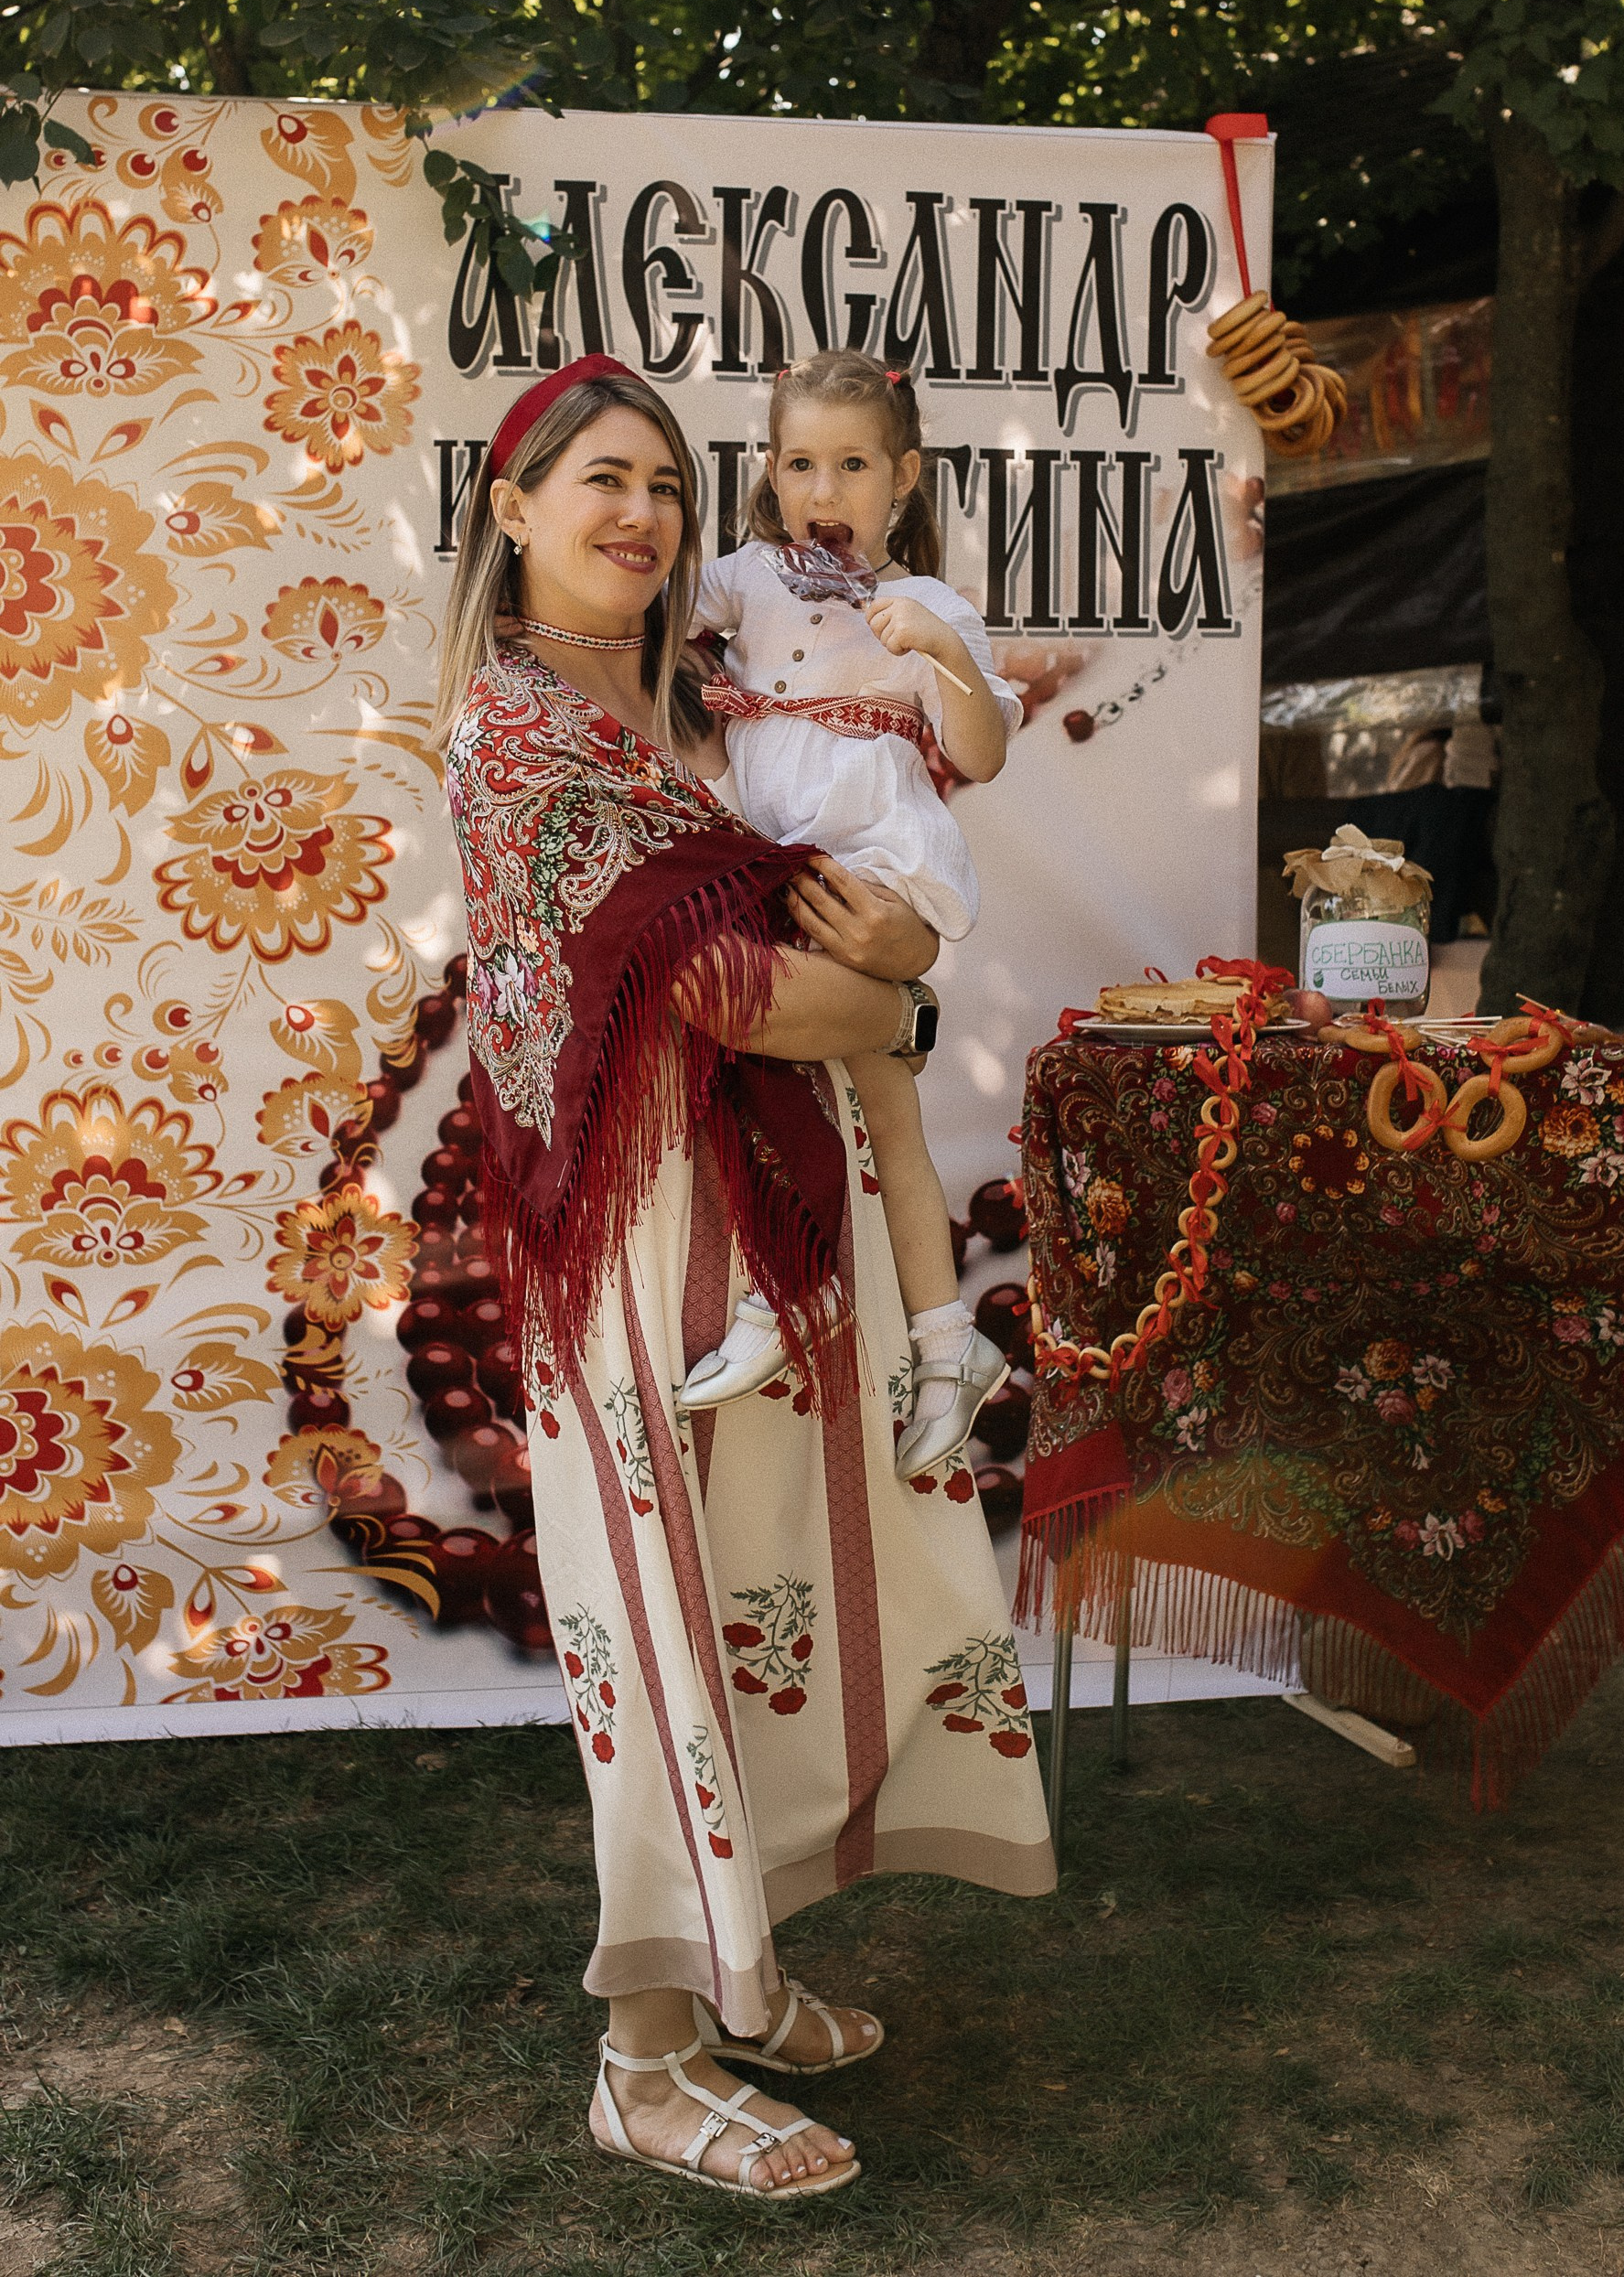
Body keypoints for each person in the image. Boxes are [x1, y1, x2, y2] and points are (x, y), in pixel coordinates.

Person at [436, 352, 1054, 2203]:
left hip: (782, 1209)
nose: (639, 514)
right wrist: (906, 997)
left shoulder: (707, 689)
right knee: (663, 1623)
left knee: (783, 1590)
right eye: (597, 481)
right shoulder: (523, 736)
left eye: (664, 487)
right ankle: (642, 2058)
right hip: (636, 1239)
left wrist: (879, 989)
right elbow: (749, 991)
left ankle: (748, 1972)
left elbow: (849, 902)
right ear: (513, 508)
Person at [679, 350, 1015, 1479]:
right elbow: (658, 608)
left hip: (870, 862)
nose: (825, 492)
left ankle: (794, 1294)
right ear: (770, 474)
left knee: (826, 1073)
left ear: (902, 478)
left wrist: (948, 660)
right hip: (779, 861)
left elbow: (979, 752)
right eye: (800, 463)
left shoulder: (922, 607)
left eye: (853, 464)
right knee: (831, 1083)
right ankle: (944, 1340)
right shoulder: (746, 579)